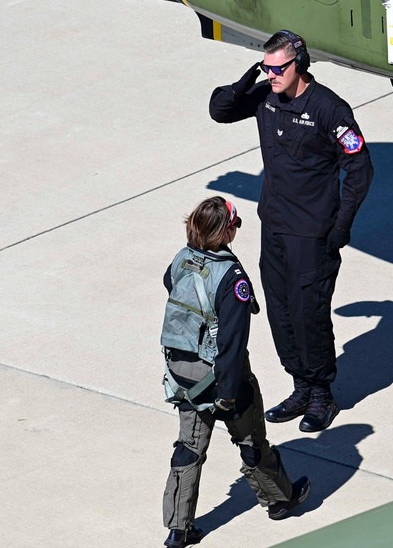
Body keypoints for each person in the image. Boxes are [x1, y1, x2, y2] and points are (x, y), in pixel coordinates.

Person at [209, 30, 374, 432]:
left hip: (312, 233)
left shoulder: (329, 109)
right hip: (275, 227)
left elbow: (359, 168)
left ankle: (321, 395)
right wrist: (252, 76)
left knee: (309, 314)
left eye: (277, 68)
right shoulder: (266, 95)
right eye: (266, 67)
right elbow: (220, 109)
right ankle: (300, 386)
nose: (272, 74)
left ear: (298, 64)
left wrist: (341, 226)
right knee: (280, 311)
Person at [160, 196, 311, 548]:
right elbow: (231, 342)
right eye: (235, 224)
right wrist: (228, 393)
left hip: (182, 374)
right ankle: (279, 500)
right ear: (225, 231)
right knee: (251, 442)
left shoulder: (182, 257)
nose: (236, 229)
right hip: (221, 378)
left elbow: (170, 284)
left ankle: (178, 529)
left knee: (189, 448)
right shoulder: (232, 277)